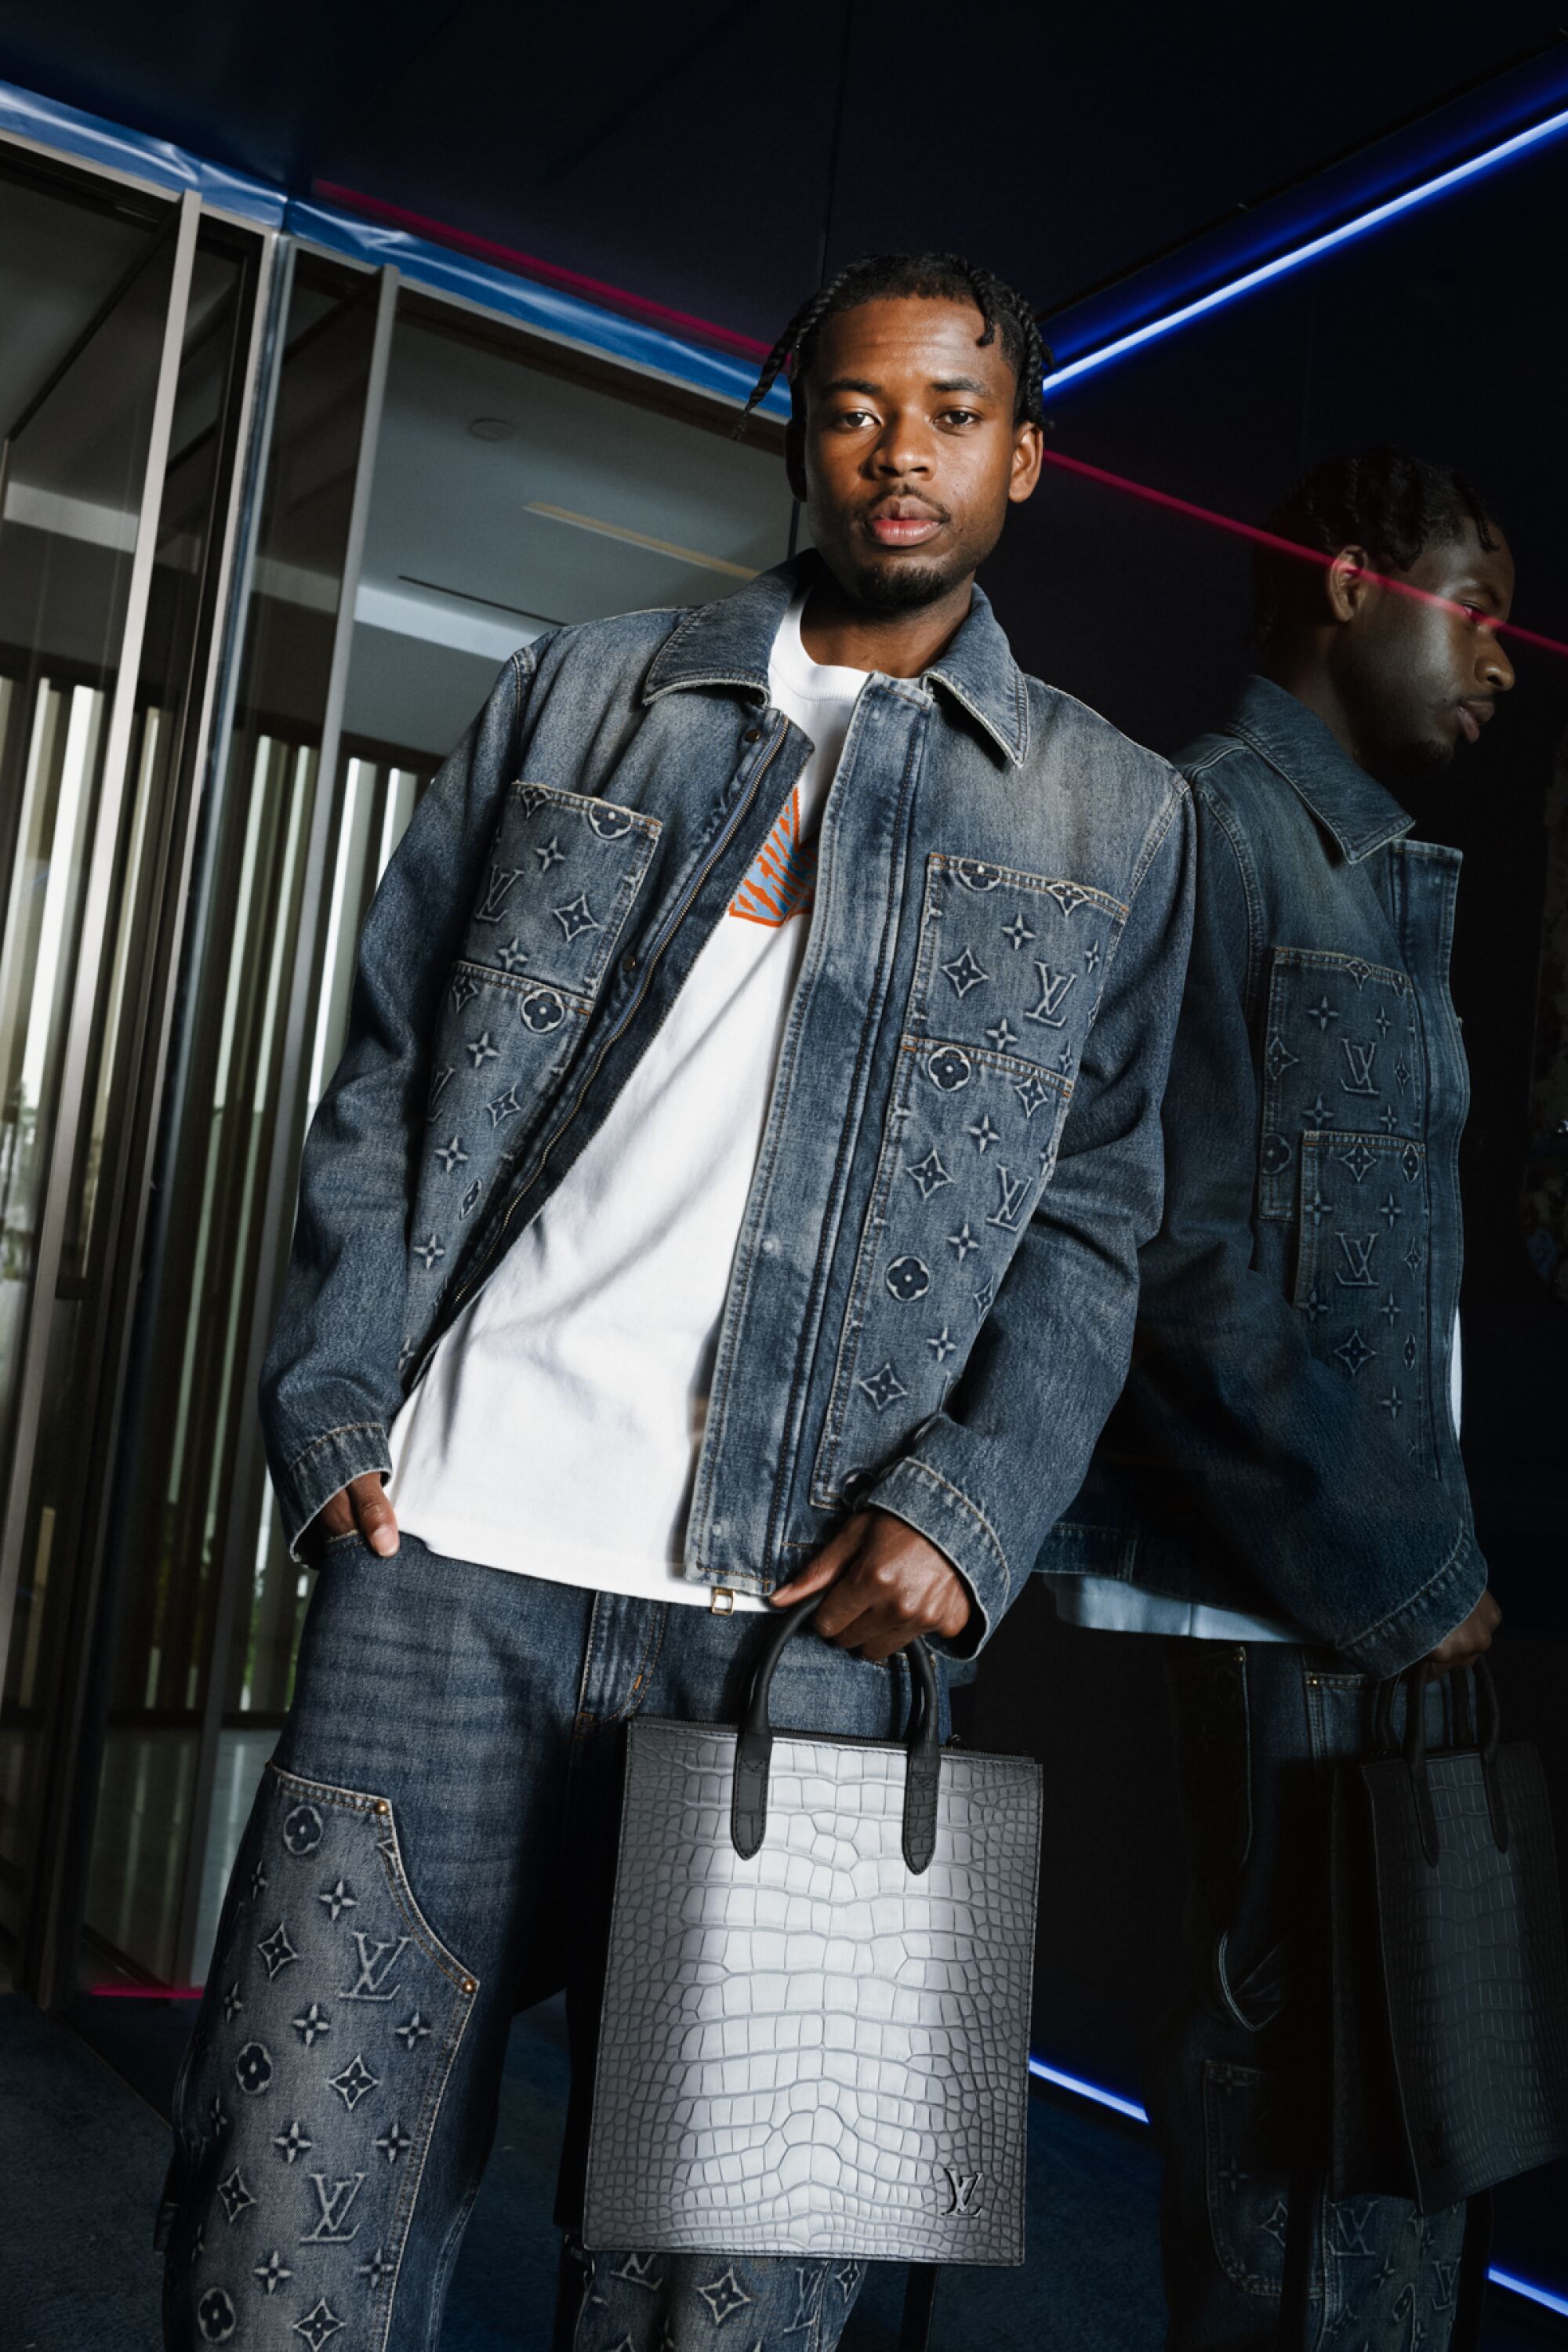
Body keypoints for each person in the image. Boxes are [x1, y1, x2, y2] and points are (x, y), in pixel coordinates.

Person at [156, 252, 1195, 2352]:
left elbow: (1100, 1216)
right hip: (451, 1561)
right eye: (854, 408)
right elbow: (383, 1072)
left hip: (813, 1635)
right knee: (277, 2249)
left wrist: (973, 1515)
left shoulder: (1117, 811)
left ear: (1028, 455)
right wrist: (335, 1402)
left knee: (732, 2309)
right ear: (799, 428)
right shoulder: (577, 691)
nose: (902, 453)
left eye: (955, 412)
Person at [1039, 445, 1512, 2350]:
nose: (1502, 660)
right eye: (1472, 607)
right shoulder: (1218, 828)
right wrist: (1400, 1560)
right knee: (1298, 2067)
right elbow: (1177, 1257)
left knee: (1384, 2065)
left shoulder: (1367, 866)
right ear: (1347, 584)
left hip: (1376, 1578)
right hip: (1291, 1582)